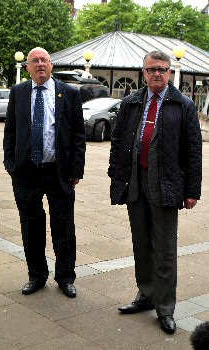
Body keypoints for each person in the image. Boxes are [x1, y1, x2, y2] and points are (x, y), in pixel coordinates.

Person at [108, 51, 202, 334]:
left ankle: (165, 308)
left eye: (162, 69)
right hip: (136, 180)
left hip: (166, 183)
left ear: (169, 73)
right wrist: (117, 175)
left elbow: (193, 151)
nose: (157, 74)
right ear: (144, 73)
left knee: (164, 249)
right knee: (141, 244)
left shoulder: (183, 105)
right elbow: (117, 141)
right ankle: (145, 295)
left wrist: (192, 190)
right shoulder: (131, 103)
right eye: (152, 70)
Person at [3, 47, 86, 298]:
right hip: (27, 172)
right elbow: (11, 131)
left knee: (63, 225)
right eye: (34, 61)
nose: (40, 65)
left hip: (59, 172)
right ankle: (36, 275)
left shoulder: (69, 93)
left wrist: (76, 170)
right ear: (27, 67)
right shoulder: (18, 92)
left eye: (44, 61)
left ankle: (65, 277)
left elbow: (78, 135)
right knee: (31, 225)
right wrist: (11, 165)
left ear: (51, 65)